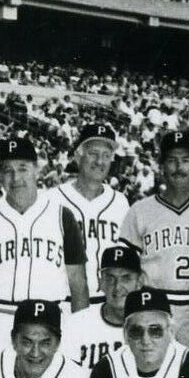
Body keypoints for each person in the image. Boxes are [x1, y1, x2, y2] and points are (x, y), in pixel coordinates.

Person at [0, 133, 89, 362]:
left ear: (36, 170)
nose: (15, 177)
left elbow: (78, 283)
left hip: (51, 322)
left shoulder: (62, 216)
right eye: (7, 170)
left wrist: (78, 338)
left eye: (22, 168)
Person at [118, 128, 189, 360]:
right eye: (171, 160)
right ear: (161, 165)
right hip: (152, 306)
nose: (178, 167)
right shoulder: (139, 210)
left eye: (185, 160)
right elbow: (127, 270)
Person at [52, 122, 131, 300]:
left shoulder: (120, 202)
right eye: (93, 154)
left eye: (106, 155)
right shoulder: (52, 200)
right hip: (64, 303)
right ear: (78, 157)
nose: (100, 161)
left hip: (108, 303)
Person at [61, 245, 144, 369]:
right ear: (101, 282)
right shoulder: (77, 324)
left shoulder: (151, 327)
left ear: (139, 282)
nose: (117, 287)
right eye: (110, 278)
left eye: (126, 278)